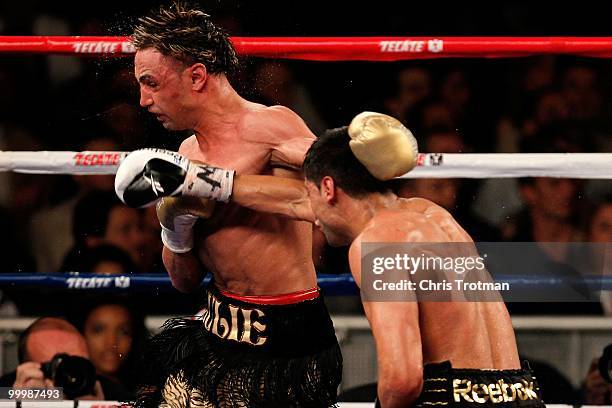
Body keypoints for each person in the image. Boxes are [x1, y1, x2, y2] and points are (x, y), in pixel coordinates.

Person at [118, 112, 545, 408]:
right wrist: (199, 181)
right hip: (522, 392)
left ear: (327, 188)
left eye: (311, 200)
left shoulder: (376, 246)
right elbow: (289, 205)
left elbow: (402, 378)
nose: (312, 219)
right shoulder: (431, 215)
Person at [117, 3, 341, 407]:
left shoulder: (270, 126)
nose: (143, 100)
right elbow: (184, 282)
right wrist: (175, 227)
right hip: (218, 327)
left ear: (197, 76)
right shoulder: (185, 154)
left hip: (286, 338)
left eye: (150, 82)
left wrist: (215, 184)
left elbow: (335, 198)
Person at [0, 317, 133, 401]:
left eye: (77, 365)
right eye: (56, 367)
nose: (70, 377)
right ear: (29, 371)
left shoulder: (110, 394)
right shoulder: (7, 393)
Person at [68, 297, 148, 396]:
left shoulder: (149, 392)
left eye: (124, 332)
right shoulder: (57, 390)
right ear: (80, 334)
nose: (111, 342)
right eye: (99, 330)